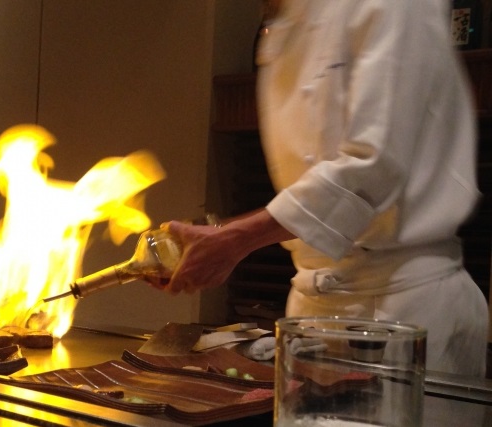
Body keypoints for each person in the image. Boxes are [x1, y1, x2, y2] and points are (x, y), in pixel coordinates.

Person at [159, 0, 490, 376]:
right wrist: (219, 238)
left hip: (404, 310)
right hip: (311, 310)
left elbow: (372, 164)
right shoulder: (287, 20)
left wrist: (236, 240)